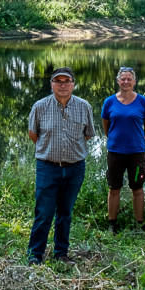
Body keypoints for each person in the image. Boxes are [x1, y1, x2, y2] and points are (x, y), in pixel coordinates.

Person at [27, 67, 94, 265]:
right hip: (48, 167)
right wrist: (51, 151)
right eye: (58, 81)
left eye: (67, 81)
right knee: (43, 213)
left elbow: (88, 134)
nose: (62, 85)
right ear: (52, 84)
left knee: (65, 213)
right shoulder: (39, 106)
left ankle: (61, 253)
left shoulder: (84, 106)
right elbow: (33, 135)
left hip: (75, 168)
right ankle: (35, 255)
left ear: (73, 84)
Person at [102, 67, 145, 233]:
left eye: (129, 79)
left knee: (137, 189)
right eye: (122, 79)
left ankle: (138, 224)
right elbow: (106, 126)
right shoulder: (109, 102)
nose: (125, 82)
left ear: (134, 82)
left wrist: (138, 140)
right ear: (118, 81)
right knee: (114, 188)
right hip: (115, 152)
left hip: (136, 153)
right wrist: (114, 139)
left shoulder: (143, 101)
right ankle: (112, 224)